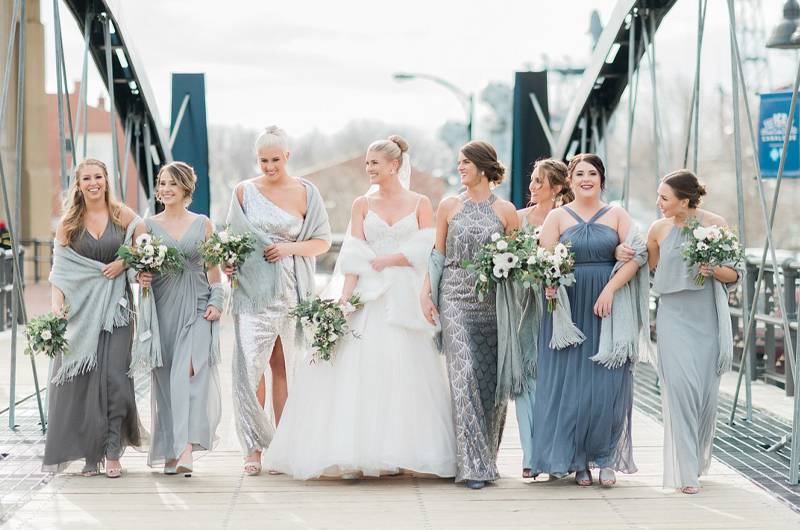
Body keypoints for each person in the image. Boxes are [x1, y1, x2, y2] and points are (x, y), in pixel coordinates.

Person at [264, 136, 457, 479]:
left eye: (375, 163)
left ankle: (395, 452)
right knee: (358, 373)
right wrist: (343, 301)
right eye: (367, 163)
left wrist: (394, 259)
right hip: (367, 294)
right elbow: (353, 254)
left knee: (401, 373)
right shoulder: (361, 205)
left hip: (403, 295)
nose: (368, 168)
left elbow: (429, 249)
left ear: (394, 165)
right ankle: (354, 454)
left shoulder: (421, 202)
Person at [226, 126, 331, 475]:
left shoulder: (307, 192)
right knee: (250, 368)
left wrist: (288, 248)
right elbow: (232, 242)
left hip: (290, 290)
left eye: (275, 159)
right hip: (252, 291)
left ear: (288, 156)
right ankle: (254, 446)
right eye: (263, 160)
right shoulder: (243, 192)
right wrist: (228, 262)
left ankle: (283, 447)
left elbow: (321, 242)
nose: (269, 166)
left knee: (283, 366)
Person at [530, 153, 639, 487]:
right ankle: (578, 460)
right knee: (571, 387)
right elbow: (543, 262)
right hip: (569, 308)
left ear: (601, 179)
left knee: (608, 385)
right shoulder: (557, 217)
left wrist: (609, 289)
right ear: (570, 180)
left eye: (592, 173)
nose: (586, 179)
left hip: (607, 304)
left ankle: (606, 457)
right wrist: (548, 285)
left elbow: (636, 256)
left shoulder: (617, 213)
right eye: (580, 174)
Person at [421, 140, 519, 489]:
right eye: (458, 162)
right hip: (455, 297)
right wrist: (427, 293)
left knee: (490, 382)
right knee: (463, 378)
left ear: (482, 166)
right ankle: (473, 466)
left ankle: (486, 456)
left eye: (465, 162)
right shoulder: (448, 206)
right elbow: (437, 253)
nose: (460, 168)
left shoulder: (507, 211)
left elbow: (518, 260)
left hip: (492, 301)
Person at [44, 158, 142, 478]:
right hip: (81, 311)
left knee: (115, 378)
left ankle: (112, 449)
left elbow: (144, 245)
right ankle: (90, 454)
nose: (93, 183)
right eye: (86, 178)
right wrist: (57, 308)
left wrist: (124, 264)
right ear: (78, 184)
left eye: (98, 177)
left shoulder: (122, 215)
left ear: (106, 180)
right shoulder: (68, 223)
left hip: (117, 310)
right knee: (84, 382)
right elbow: (60, 272)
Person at [647, 169, 738, 494]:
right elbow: (649, 270)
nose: (658, 203)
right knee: (681, 391)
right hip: (673, 317)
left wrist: (713, 270)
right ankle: (686, 473)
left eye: (664, 198)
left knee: (704, 397)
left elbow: (733, 274)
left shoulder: (716, 225)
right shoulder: (657, 230)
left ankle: (697, 460)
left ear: (685, 200)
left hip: (708, 318)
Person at [136, 162, 224, 476]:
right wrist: (142, 276)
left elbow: (213, 269)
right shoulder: (147, 226)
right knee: (164, 382)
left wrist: (218, 300)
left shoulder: (203, 224)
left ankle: (185, 447)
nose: (166, 189)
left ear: (186, 188)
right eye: (161, 183)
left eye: (172, 183)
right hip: (162, 307)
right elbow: (141, 269)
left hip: (198, 305)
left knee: (189, 372)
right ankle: (170, 451)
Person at [514, 159, 573, 478]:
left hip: (556, 307)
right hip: (523, 307)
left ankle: (554, 455)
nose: (532, 187)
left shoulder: (567, 221)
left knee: (555, 383)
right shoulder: (518, 219)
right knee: (526, 379)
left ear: (557, 188)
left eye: (539, 182)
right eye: (532, 180)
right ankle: (529, 455)